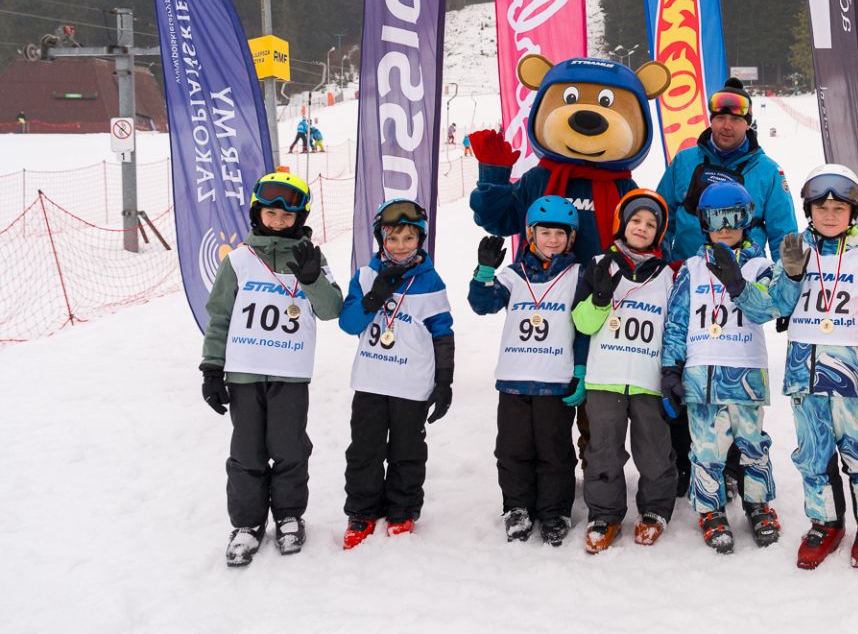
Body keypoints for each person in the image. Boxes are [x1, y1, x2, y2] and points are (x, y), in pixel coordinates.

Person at [199, 172, 344, 567]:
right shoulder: (238, 261)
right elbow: (219, 318)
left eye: (287, 215)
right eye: (271, 213)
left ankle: (289, 516)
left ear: (299, 218)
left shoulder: (311, 258)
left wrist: (311, 279)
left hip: (290, 372)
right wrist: (212, 369)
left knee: (290, 448)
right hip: (245, 373)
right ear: (256, 214)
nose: (278, 221)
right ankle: (247, 525)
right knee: (246, 452)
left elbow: (332, 309)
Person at [768, 165, 858, 571]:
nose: (829, 215)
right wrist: (790, 276)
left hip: (850, 374)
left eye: (838, 208)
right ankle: (825, 521)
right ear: (808, 210)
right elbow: (775, 305)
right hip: (804, 373)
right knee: (812, 453)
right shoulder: (795, 249)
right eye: (821, 208)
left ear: (852, 212)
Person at [661, 181, 787, 554]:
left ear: (747, 218)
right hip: (702, 372)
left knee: (752, 445)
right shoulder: (691, 268)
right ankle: (710, 509)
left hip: (745, 370)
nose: (727, 226)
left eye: (735, 216)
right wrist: (670, 369)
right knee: (706, 448)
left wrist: (738, 285)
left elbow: (769, 309)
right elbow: (677, 322)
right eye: (718, 218)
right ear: (705, 223)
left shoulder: (760, 266)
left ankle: (758, 504)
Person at [468, 196, 592, 547]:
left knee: (554, 450)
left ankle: (555, 511)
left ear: (571, 238)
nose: (552, 239)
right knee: (512, 449)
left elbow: (584, 328)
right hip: (514, 379)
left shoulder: (578, 274)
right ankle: (517, 507)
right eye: (545, 232)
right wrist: (484, 272)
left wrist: (580, 369)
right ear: (530, 234)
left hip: (555, 380)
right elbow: (482, 304)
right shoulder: (513, 275)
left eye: (560, 233)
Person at [337, 199, 454, 550]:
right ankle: (362, 512)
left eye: (409, 238)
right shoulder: (365, 276)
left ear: (420, 239)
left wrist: (444, 381)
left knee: (407, 450)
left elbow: (443, 333)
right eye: (393, 238)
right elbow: (348, 324)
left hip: (412, 385)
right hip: (371, 382)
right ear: (381, 239)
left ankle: (402, 509)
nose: (401, 246)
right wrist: (373, 298)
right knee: (365, 450)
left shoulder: (430, 281)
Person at [570, 189, 678, 552]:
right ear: (622, 223)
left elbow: (673, 329)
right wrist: (600, 299)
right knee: (603, 451)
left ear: (658, 233)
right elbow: (582, 323)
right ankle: (604, 515)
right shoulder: (599, 264)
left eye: (651, 224)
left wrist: (673, 373)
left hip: (648, 379)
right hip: (606, 377)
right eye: (636, 220)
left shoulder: (667, 275)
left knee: (655, 451)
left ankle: (655, 510)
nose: (642, 228)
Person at [655, 77, 798, 263]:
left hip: (746, 276)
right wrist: (660, 267)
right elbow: (660, 219)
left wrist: (789, 275)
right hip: (685, 272)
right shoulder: (684, 161)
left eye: (736, 119)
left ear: (748, 124)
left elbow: (783, 235)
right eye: (720, 118)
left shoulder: (768, 172)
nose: (727, 126)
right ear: (711, 121)